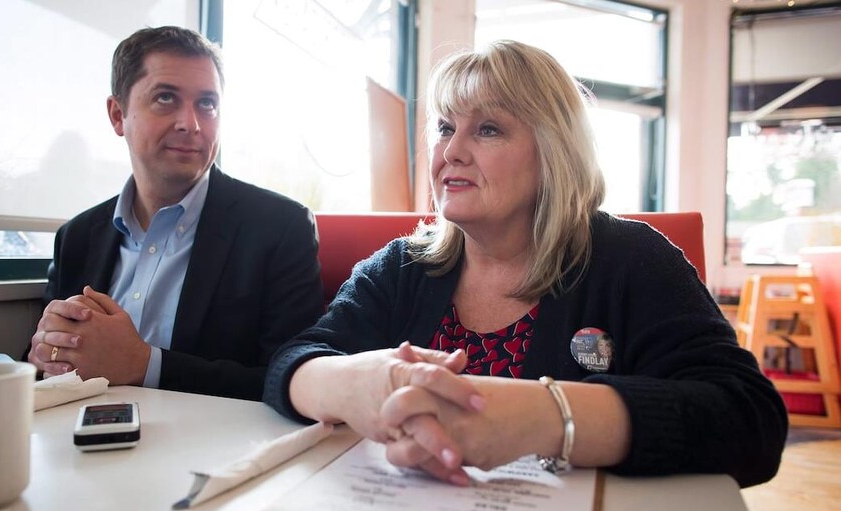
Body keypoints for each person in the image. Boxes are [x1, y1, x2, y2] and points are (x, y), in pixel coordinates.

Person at [263, 40, 786, 487]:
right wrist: (355, 382)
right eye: (444, 127)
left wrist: (546, 417)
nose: (452, 152)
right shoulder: (404, 265)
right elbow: (294, 361)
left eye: (487, 129)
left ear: (555, 151)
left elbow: (750, 419)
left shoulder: (633, 260)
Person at [26, 26, 323, 400]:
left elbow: (295, 379)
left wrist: (144, 364)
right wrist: (45, 355)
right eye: (166, 98)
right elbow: (43, 361)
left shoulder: (280, 228)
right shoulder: (77, 236)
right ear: (118, 115)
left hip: (213, 449)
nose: (191, 123)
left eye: (207, 104)